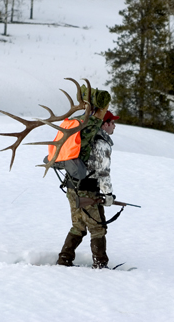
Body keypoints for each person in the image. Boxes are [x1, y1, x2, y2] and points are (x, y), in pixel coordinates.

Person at [56, 108, 120, 269]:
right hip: (88, 190)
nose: (114, 126)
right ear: (104, 124)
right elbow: (103, 172)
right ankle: (100, 264)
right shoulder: (101, 143)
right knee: (98, 228)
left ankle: (64, 260)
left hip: (72, 187)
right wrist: (108, 194)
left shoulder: (87, 139)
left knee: (78, 226)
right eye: (112, 122)